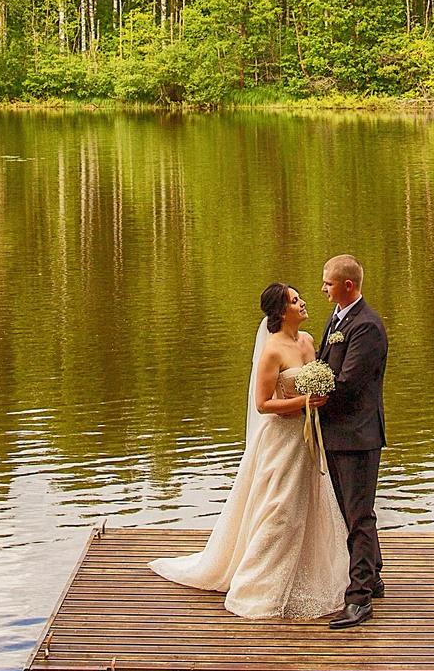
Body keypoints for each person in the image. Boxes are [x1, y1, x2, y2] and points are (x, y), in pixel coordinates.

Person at [148, 283, 349, 620]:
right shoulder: (272, 351)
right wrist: (305, 401)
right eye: (295, 301)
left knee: (309, 506)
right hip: (280, 441)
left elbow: (313, 380)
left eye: (300, 298)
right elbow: (262, 404)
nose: (303, 303)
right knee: (279, 510)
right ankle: (259, 587)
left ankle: (304, 578)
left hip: (307, 438)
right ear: (281, 312)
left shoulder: (309, 341)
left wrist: (319, 398)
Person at [309, 253, 387, 629]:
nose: (322, 288)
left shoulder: (367, 327)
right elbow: (328, 365)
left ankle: (359, 600)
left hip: (358, 435)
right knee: (350, 512)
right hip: (338, 433)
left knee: (358, 516)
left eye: (328, 282)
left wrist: (306, 395)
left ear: (348, 286)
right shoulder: (339, 318)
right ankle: (373, 575)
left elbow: (348, 382)